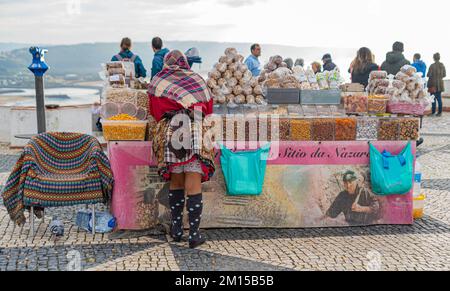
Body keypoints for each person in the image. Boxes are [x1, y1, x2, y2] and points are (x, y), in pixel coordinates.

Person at [148, 50, 215, 249]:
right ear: (185, 63)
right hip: (194, 130)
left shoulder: (159, 80)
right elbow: (208, 108)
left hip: (171, 132)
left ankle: (176, 230)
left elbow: (153, 110)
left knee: (176, 180)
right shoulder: (197, 79)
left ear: (166, 63)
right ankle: (193, 234)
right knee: (193, 180)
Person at [427, 53, 447, 117]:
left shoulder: (432, 66)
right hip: (440, 85)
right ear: (439, 58)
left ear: (433, 58)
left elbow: (428, 75)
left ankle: (433, 112)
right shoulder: (442, 65)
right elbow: (444, 75)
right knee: (439, 99)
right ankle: (439, 113)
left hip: (433, 84)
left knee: (433, 99)